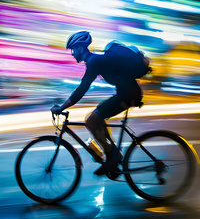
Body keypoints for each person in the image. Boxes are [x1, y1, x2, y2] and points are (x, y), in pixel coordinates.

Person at [51, 31, 143, 176]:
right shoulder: (95, 60)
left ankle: (112, 156)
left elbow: (81, 90)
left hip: (129, 95)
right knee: (94, 118)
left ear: (81, 49)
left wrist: (62, 107)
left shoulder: (94, 62)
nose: (72, 54)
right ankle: (112, 154)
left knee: (92, 121)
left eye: (73, 50)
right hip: (126, 94)